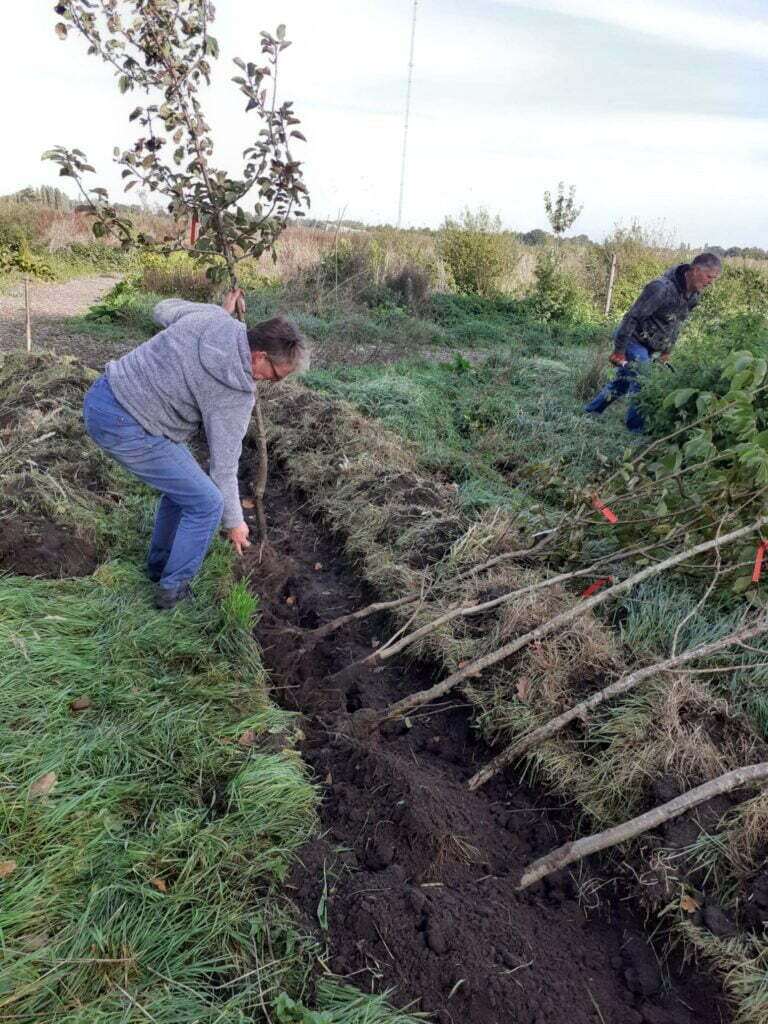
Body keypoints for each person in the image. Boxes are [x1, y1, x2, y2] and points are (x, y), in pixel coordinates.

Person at [82, 289, 309, 609]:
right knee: (207, 503)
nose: (273, 384)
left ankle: (159, 568)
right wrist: (234, 521)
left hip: (104, 393)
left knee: (185, 491)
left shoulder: (213, 319)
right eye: (275, 376)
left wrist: (215, 311)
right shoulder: (235, 394)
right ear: (259, 356)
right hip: (126, 425)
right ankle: (173, 592)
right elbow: (223, 469)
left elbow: (161, 308)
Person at [584, 252, 722, 432]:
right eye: (709, 277)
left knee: (623, 382)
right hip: (633, 339)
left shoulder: (694, 295)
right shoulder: (661, 288)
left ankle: (591, 412)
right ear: (696, 270)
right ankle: (635, 432)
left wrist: (666, 352)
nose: (711, 282)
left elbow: (676, 324)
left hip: (651, 344)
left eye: (714, 278)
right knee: (644, 382)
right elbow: (631, 317)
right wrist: (619, 350)